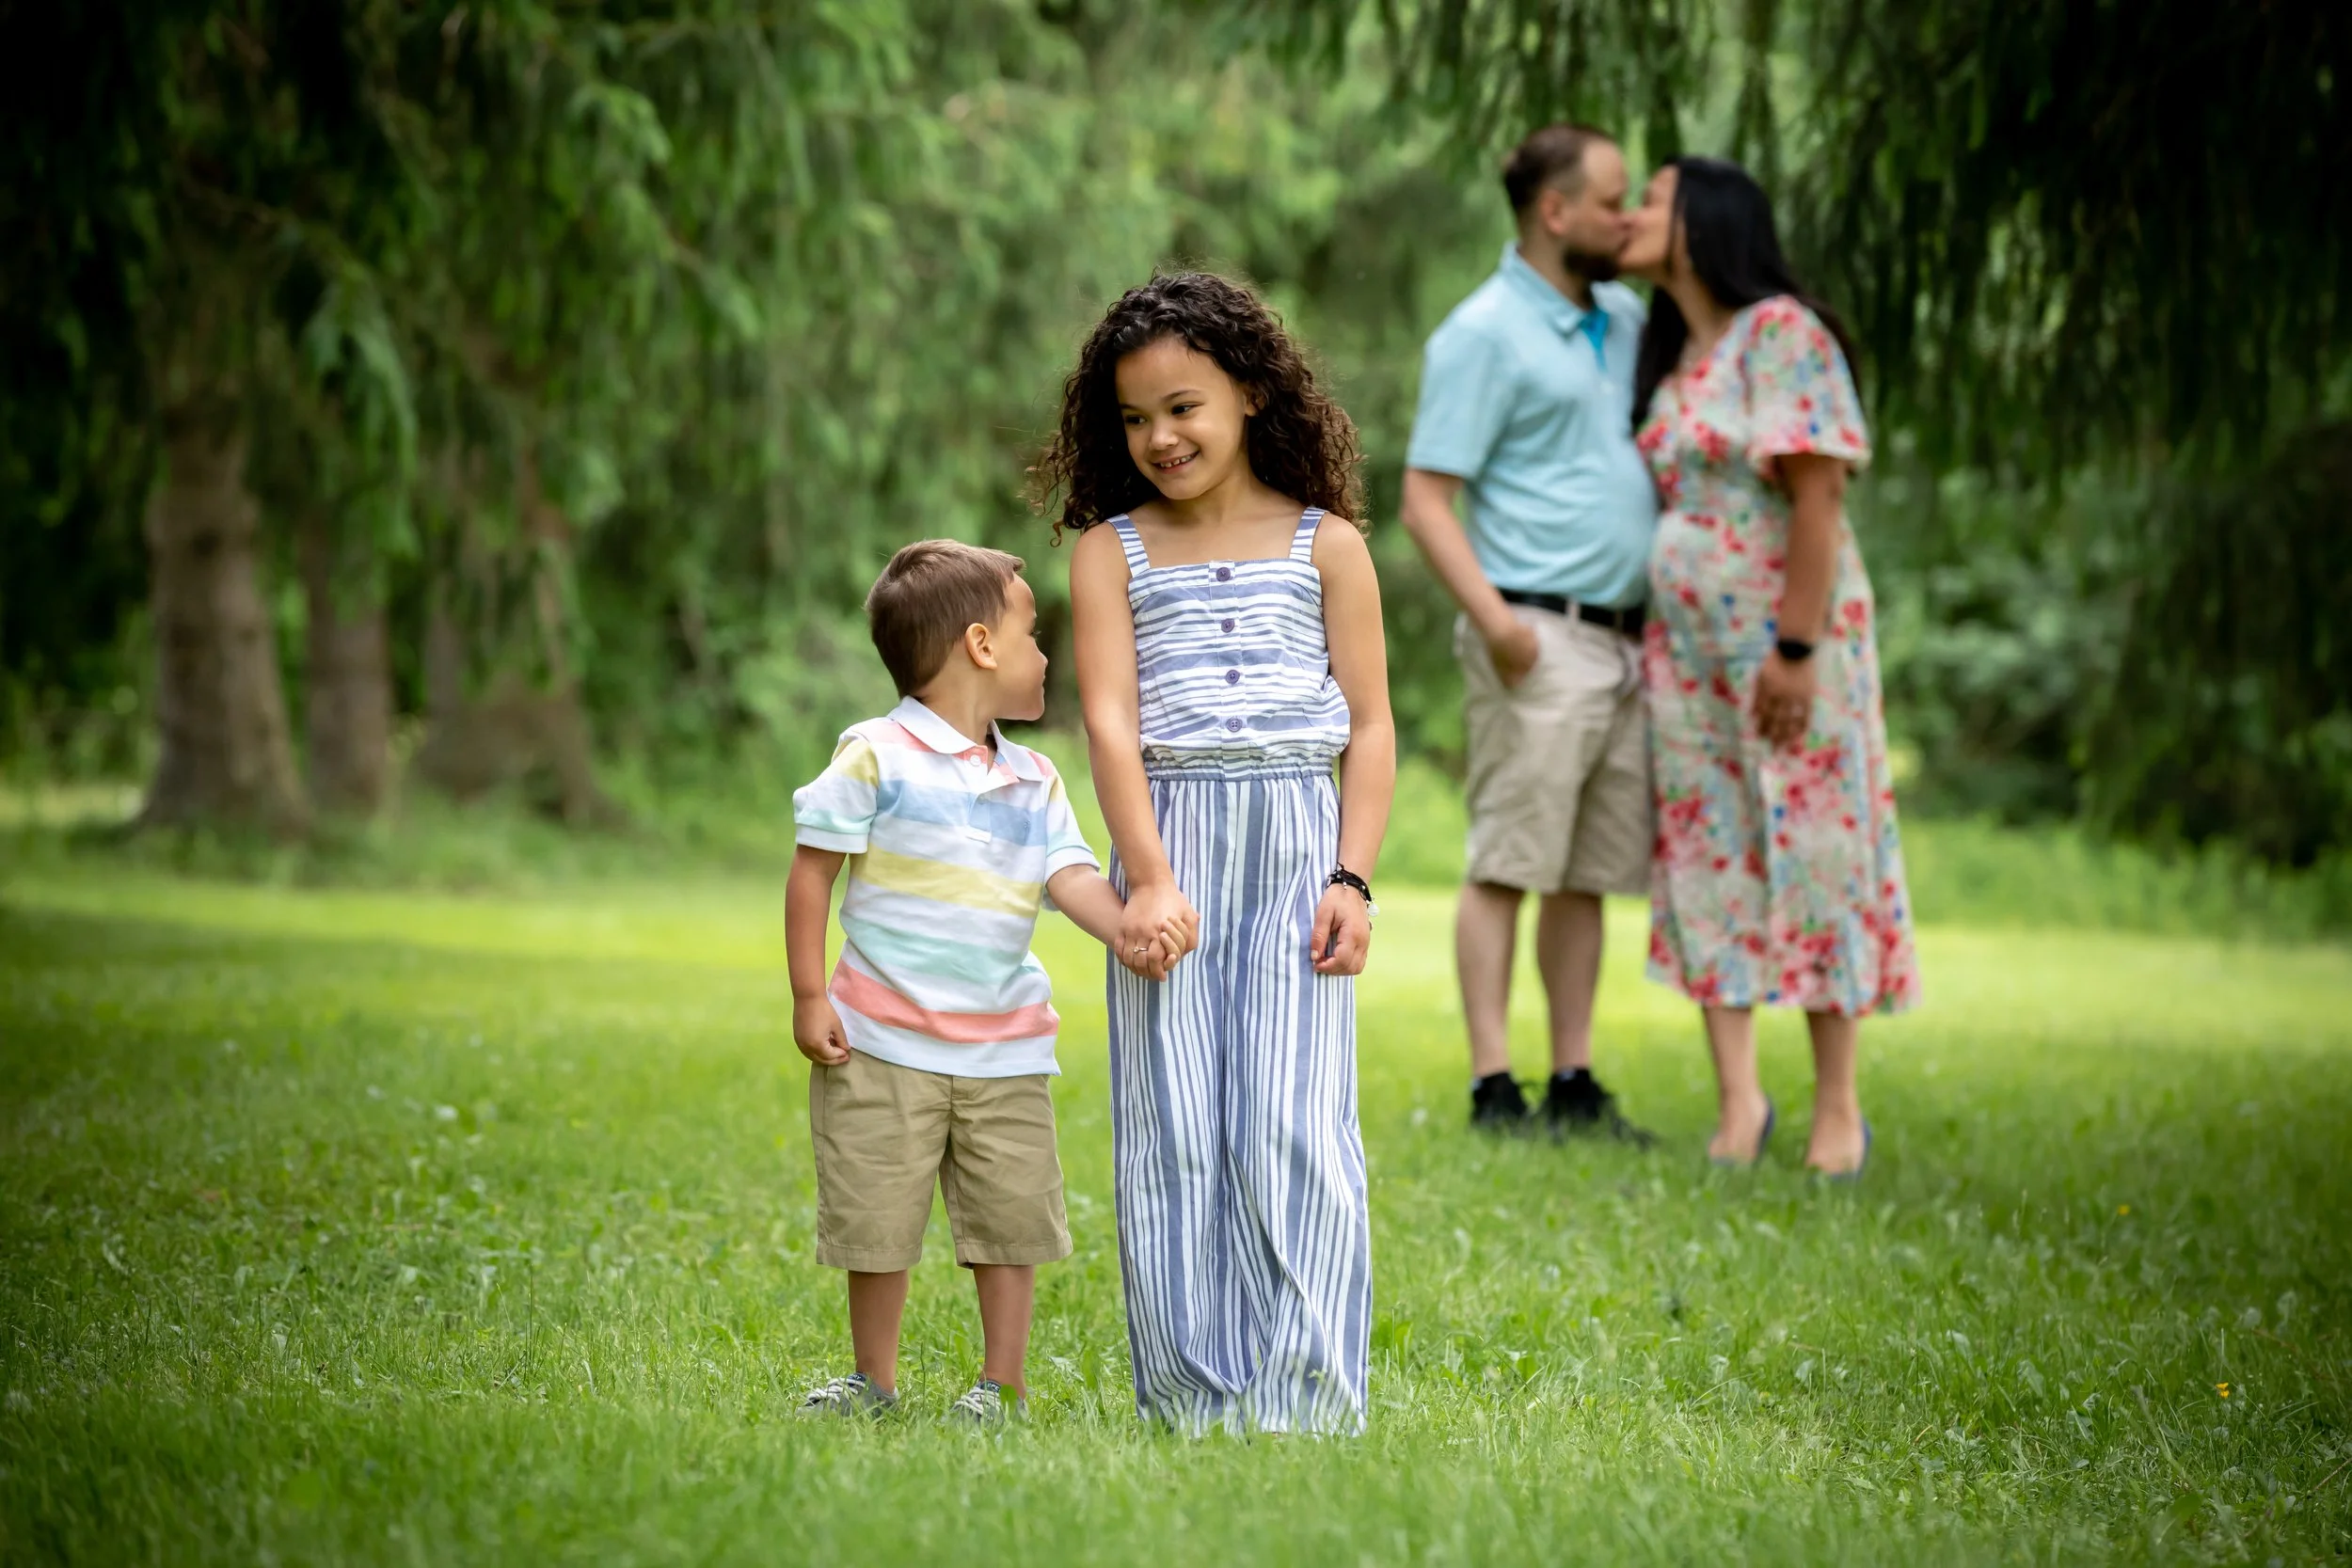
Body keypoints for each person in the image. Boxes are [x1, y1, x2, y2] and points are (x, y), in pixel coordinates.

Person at [1038, 272, 1395, 1434]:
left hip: (1297, 845)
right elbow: (1108, 720)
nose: (1160, 438)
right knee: (1178, 1124)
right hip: (1172, 844)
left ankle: (1306, 1398)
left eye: (1183, 407)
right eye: (1135, 419)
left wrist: (1351, 876)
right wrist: (1145, 876)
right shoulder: (1111, 551)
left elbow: (1372, 724)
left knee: (1296, 1125)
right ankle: (1195, 1400)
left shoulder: (1327, 544)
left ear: (1248, 392)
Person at [786, 539, 1163, 1425]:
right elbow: (813, 873)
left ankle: (1003, 1384)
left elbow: (1070, 878)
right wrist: (810, 995)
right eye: (1034, 634)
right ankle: (872, 1380)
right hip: (881, 1039)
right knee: (877, 1217)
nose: (1045, 654)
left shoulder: (1035, 778)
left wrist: (1130, 929)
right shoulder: (875, 754)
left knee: (1010, 1219)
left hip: (1004, 1045)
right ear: (982, 645)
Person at [1617, 157, 1921, 1178]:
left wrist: (1794, 650)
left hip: (1788, 646)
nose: (1630, 215)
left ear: (1704, 221)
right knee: (1709, 854)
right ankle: (1738, 1101)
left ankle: (1839, 1105)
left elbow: (1817, 498)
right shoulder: (1673, 357)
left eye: (1650, 199)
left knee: (1816, 842)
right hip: (1686, 660)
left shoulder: (1782, 333)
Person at [1400, 124, 1659, 1138]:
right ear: (1554, 212)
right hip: (1536, 636)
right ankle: (1493, 1084)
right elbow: (1426, 498)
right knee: (1509, 859)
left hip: (1627, 644)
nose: (1627, 217)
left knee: (1586, 871)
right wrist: (1500, 626)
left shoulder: (1629, 317)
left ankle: (1574, 1080)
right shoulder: (1482, 331)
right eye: (1611, 200)